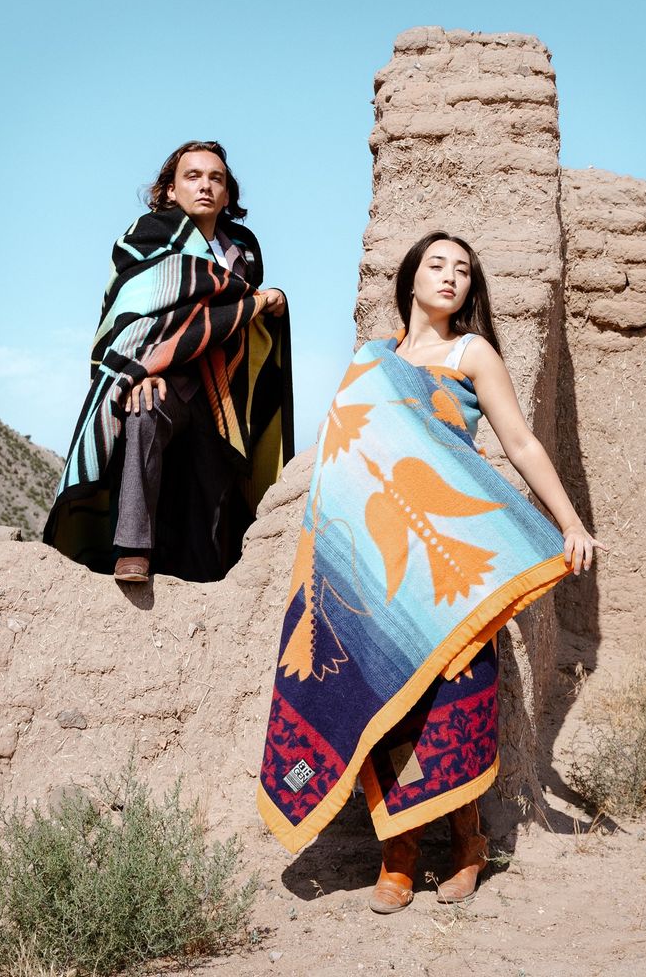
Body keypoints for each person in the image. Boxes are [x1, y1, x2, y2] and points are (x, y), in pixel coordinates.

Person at [257, 231, 605, 913]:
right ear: (410, 277)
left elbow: (520, 442)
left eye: (463, 270)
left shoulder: (472, 354)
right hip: (381, 570)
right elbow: (344, 463)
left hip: (451, 565)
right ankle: (399, 854)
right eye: (437, 265)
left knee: (456, 702)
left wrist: (568, 521)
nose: (449, 277)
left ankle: (467, 846)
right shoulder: (371, 360)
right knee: (388, 702)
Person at [44, 141, 293, 582]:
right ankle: (131, 551)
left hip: (221, 390)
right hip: (161, 378)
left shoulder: (244, 251)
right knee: (143, 412)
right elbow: (129, 317)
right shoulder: (145, 238)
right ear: (171, 191)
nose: (205, 185)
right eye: (192, 176)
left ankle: (204, 580)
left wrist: (269, 302)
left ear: (228, 194)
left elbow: (236, 313)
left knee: (212, 486)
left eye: (216, 178)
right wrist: (141, 371)